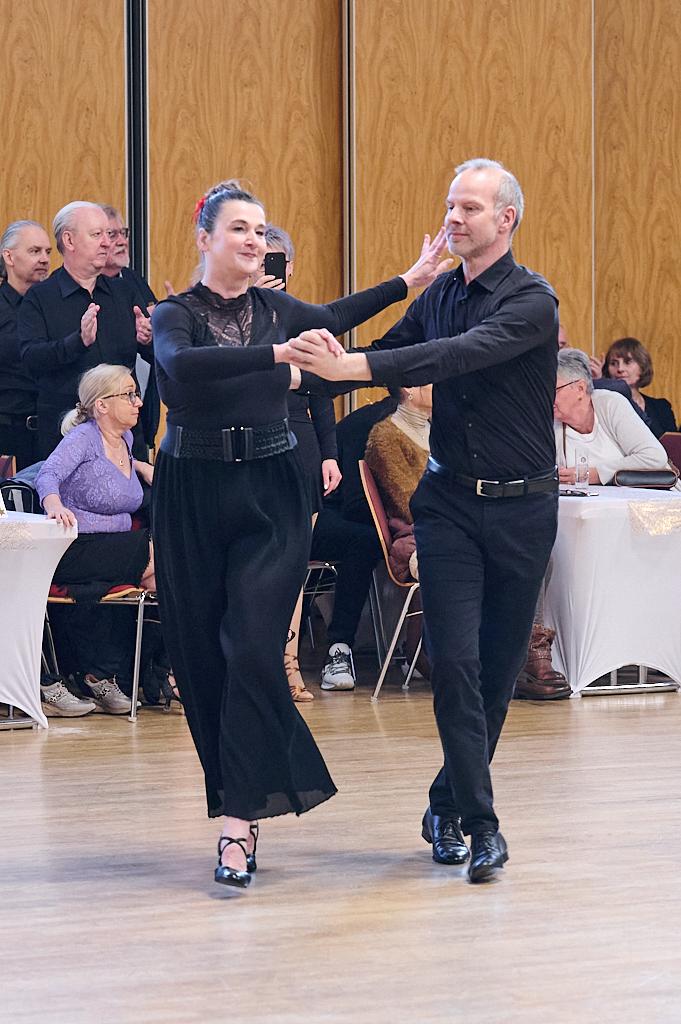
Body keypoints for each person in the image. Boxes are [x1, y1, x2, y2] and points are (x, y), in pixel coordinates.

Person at [150, 180, 449, 890]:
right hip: (191, 493)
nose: (256, 241)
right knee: (203, 661)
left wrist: (408, 281)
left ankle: (237, 824)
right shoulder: (175, 314)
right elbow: (179, 367)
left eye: (261, 232)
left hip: (270, 493)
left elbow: (335, 314)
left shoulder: (278, 307)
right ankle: (245, 798)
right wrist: (280, 354)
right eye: (241, 230)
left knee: (254, 650)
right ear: (205, 238)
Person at [287, 158, 561, 884]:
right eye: (448, 205)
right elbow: (394, 349)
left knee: (498, 673)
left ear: (505, 220)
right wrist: (329, 357)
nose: (453, 218)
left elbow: (457, 356)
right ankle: (481, 824)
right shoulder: (441, 292)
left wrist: (355, 370)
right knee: (456, 665)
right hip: (448, 508)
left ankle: (444, 803)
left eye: (468, 208)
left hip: (524, 510)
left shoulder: (532, 301)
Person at [36, 364, 156, 717]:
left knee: (166, 573)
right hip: (76, 548)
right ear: (102, 405)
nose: (138, 402)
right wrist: (54, 504)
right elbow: (48, 475)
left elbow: (109, 474)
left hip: (115, 547)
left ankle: (120, 673)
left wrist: (140, 467)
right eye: (129, 394)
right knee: (165, 559)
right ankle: (156, 674)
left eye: (136, 393)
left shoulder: (127, 441)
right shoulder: (82, 438)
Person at [259, 223, 342, 702]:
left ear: (289, 266)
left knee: (294, 563)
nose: (266, 269)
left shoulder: (307, 319)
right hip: (252, 440)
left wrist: (330, 455)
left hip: (303, 442)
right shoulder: (239, 317)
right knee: (255, 561)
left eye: (274, 260)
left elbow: (324, 392)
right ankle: (254, 663)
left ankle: (289, 664)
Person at [18, 201, 153, 459]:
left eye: (109, 234)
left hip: (124, 438)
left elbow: (154, 359)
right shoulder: (39, 297)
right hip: (66, 438)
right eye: (97, 235)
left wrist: (147, 341)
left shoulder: (124, 293)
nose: (107, 243)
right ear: (69, 240)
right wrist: (78, 342)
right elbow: (31, 359)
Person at [310, 394, 397, 691]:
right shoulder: (373, 425)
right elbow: (358, 504)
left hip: (364, 514)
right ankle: (339, 647)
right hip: (322, 510)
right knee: (366, 540)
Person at [553, 347, 668, 482]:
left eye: (554, 390)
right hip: (591, 501)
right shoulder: (549, 421)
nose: (545, 397)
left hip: (651, 498)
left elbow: (654, 457)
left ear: (580, 388)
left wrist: (595, 474)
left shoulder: (610, 403)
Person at [0, 221, 51, 469]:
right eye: (34, 251)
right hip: (7, 433)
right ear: (9, 256)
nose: (44, 259)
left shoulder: (55, 305)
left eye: (47, 252)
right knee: (5, 509)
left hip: (51, 433)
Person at [596, 337, 677, 439]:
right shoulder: (605, 405)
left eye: (628, 362)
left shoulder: (661, 406)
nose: (620, 369)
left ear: (642, 366)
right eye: (613, 363)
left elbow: (673, 445)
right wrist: (598, 382)